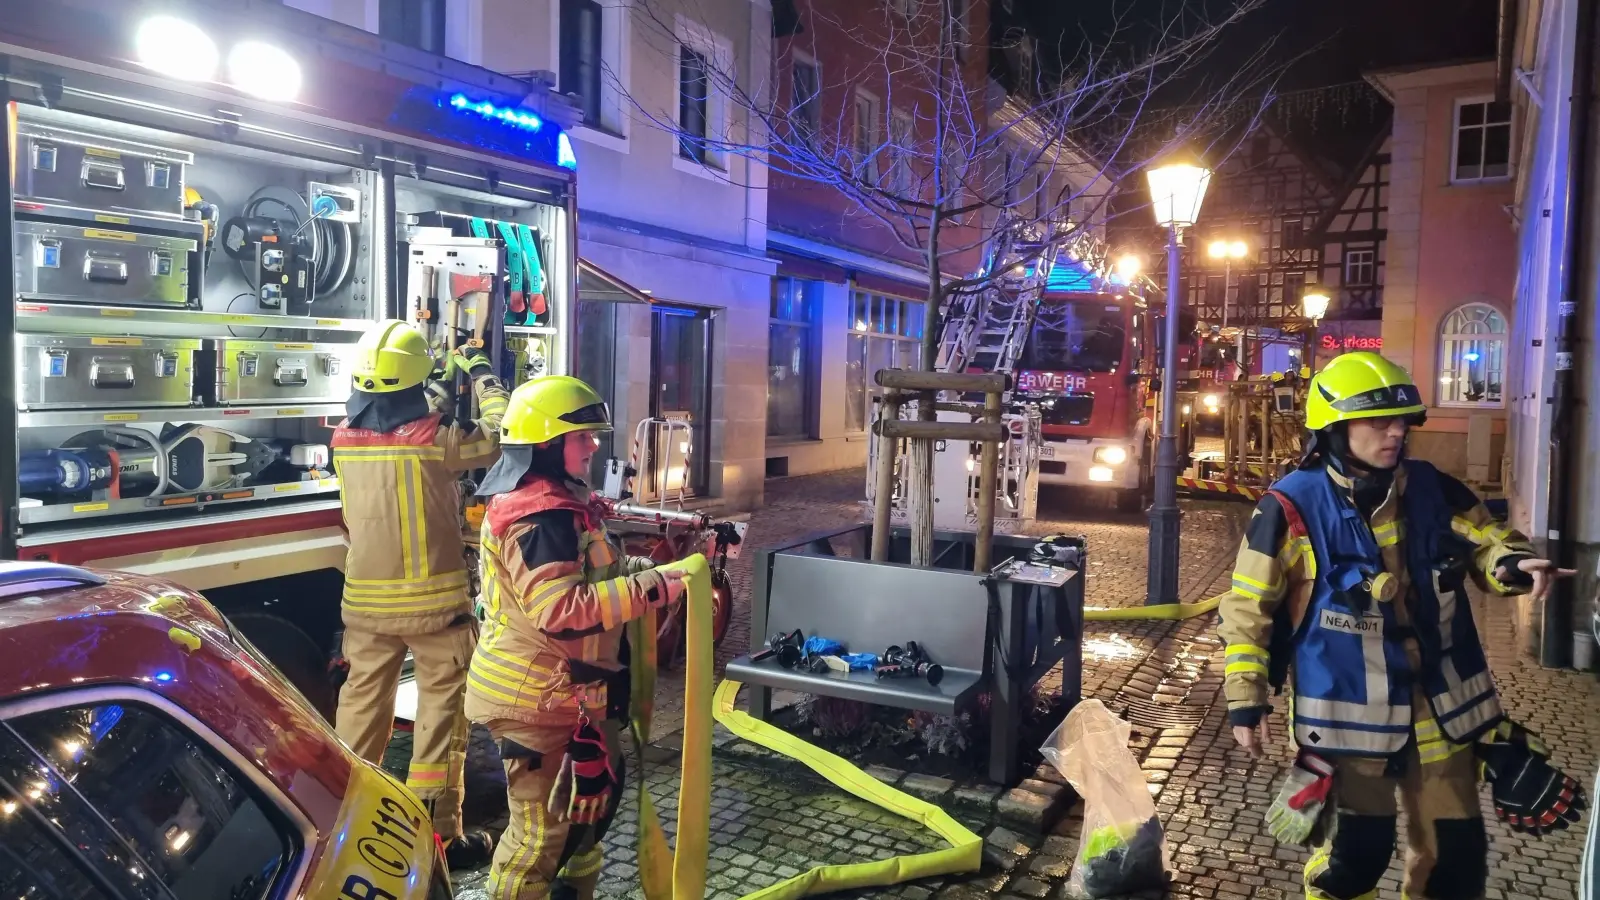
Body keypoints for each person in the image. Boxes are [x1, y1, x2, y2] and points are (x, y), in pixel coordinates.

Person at [1217, 351, 1585, 900]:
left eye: (1401, 422)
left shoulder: (1433, 489)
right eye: (1378, 422)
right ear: (1335, 429)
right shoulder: (1290, 507)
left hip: (1443, 712)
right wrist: (1246, 699)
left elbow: (1488, 541)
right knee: (1354, 863)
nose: (1396, 433)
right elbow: (1248, 609)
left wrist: (1512, 564)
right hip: (1347, 724)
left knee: (1456, 863)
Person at [466, 375, 686, 900]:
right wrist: (651, 589)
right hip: (537, 702)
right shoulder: (539, 517)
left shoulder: (558, 503)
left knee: (586, 824)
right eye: (580, 436)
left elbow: (588, 575)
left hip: (567, 697)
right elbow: (560, 609)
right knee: (540, 838)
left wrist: (650, 572)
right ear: (545, 444)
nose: (592, 446)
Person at [332, 319, 508, 870]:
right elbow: (500, 432)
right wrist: (480, 372)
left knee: (360, 710)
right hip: (436, 610)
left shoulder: (343, 440)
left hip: (366, 607)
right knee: (439, 721)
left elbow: (395, 417)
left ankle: (344, 820)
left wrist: (433, 386)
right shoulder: (439, 441)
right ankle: (438, 840)